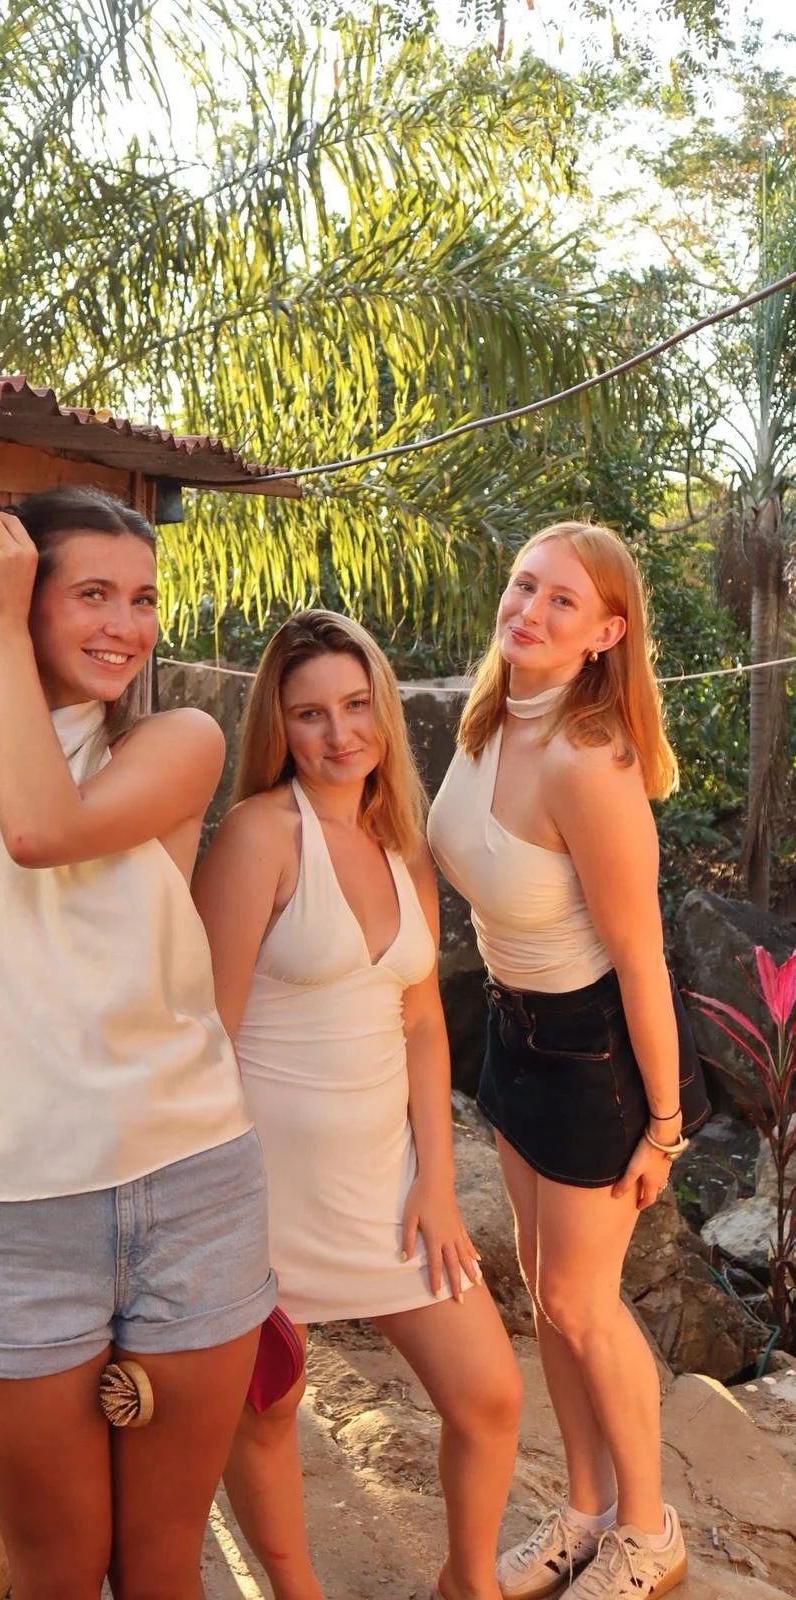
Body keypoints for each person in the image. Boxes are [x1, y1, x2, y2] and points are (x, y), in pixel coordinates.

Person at [0, 477, 275, 1600]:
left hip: (194, 1191)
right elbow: (8, 810)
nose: (128, 627)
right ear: (13, 594)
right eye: (96, 595)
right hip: (10, 1224)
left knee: (162, 1568)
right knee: (56, 1572)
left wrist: (4, 620)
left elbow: (40, 828)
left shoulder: (176, 744)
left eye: (144, 599)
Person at [193, 609, 522, 1600]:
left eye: (352, 705)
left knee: (491, 1395)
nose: (339, 735)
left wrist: (436, 1184)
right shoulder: (258, 834)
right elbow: (204, 1035)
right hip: (264, 1190)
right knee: (265, 1411)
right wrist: (217, 1215)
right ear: (278, 727)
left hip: (386, 1186)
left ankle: (467, 1584)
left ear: (380, 708)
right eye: (308, 714)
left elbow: (422, 1024)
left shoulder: (402, 847)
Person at [427, 522, 710, 1600]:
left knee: (588, 1303)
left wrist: (666, 1127)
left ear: (606, 632)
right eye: (523, 584)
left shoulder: (591, 765)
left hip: (596, 1052)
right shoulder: (488, 714)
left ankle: (650, 1531)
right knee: (548, 1299)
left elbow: (642, 961)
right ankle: (586, 1511)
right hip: (513, 1032)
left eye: (561, 601)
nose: (529, 611)